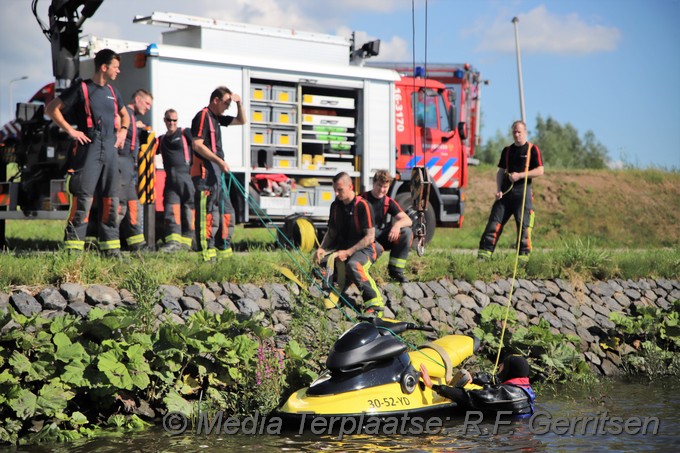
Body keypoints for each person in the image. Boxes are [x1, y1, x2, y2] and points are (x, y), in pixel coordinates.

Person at [45, 48, 130, 257]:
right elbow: (52, 108)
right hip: (90, 147)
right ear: (104, 67)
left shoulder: (113, 92)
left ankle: (111, 250)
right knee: (83, 199)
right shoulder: (82, 88)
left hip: (109, 148)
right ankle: (73, 249)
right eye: (116, 67)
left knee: (112, 199)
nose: (118, 71)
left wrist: (123, 132)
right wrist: (71, 131)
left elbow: (125, 116)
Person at [314, 172, 384, 315]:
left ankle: (375, 304)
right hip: (343, 249)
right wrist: (322, 248)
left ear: (350, 186)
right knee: (322, 264)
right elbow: (331, 231)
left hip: (366, 249)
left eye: (340, 190)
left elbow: (370, 237)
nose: (336, 193)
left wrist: (348, 253)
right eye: (335, 190)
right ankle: (334, 294)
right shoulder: (335, 206)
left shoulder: (363, 205)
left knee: (353, 265)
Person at [191, 86, 246, 261]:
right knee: (207, 213)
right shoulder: (202, 116)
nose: (227, 107)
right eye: (226, 103)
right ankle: (206, 253)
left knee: (226, 211)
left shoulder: (217, 118)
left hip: (216, 171)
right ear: (216, 100)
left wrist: (239, 103)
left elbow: (241, 120)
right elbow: (197, 144)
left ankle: (224, 250)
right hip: (205, 171)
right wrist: (220, 161)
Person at [478, 120, 544, 261]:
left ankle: (523, 261)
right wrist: (498, 190)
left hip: (523, 193)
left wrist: (520, 175)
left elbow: (540, 170)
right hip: (505, 193)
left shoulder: (532, 149)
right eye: (514, 132)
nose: (517, 134)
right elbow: (500, 172)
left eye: (519, 132)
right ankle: (483, 257)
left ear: (525, 132)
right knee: (493, 224)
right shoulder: (507, 150)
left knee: (524, 228)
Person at [420, 354, 536, 417]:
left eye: (501, 367)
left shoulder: (506, 394)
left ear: (508, 371)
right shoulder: (525, 388)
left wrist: (432, 385)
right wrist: (474, 377)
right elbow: (496, 379)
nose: (499, 369)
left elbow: (468, 396)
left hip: (513, 436)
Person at [361, 170, 413, 283]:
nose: (381, 189)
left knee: (406, 232)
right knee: (376, 248)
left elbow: (408, 220)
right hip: (364, 237)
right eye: (379, 185)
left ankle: (396, 272)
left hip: (380, 235)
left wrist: (397, 225)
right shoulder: (362, 199)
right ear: (373, 183)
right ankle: (361, 271)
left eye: (385, 187)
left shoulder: (388, 202)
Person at [118, 89, 153, 251]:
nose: (148, 108)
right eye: (147, 103)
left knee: (133, 205)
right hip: (120, 168)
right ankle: (110, 244)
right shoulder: (124, 116)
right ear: (137, 99)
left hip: (129, 169)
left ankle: (137, 245)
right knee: (119, 207)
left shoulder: (132, 118)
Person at [157, 109, 195, 252]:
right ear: (164, 120)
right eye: (169, 120)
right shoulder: (161, 140)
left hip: (186, 178)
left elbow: (199, 146)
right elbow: (146, 146)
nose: (172, 123)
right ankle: (173, 243)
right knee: (171, 211)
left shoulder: (185, 133)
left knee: (188, 211)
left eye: (174, 120)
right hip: (170, 180)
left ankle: (188, 243)